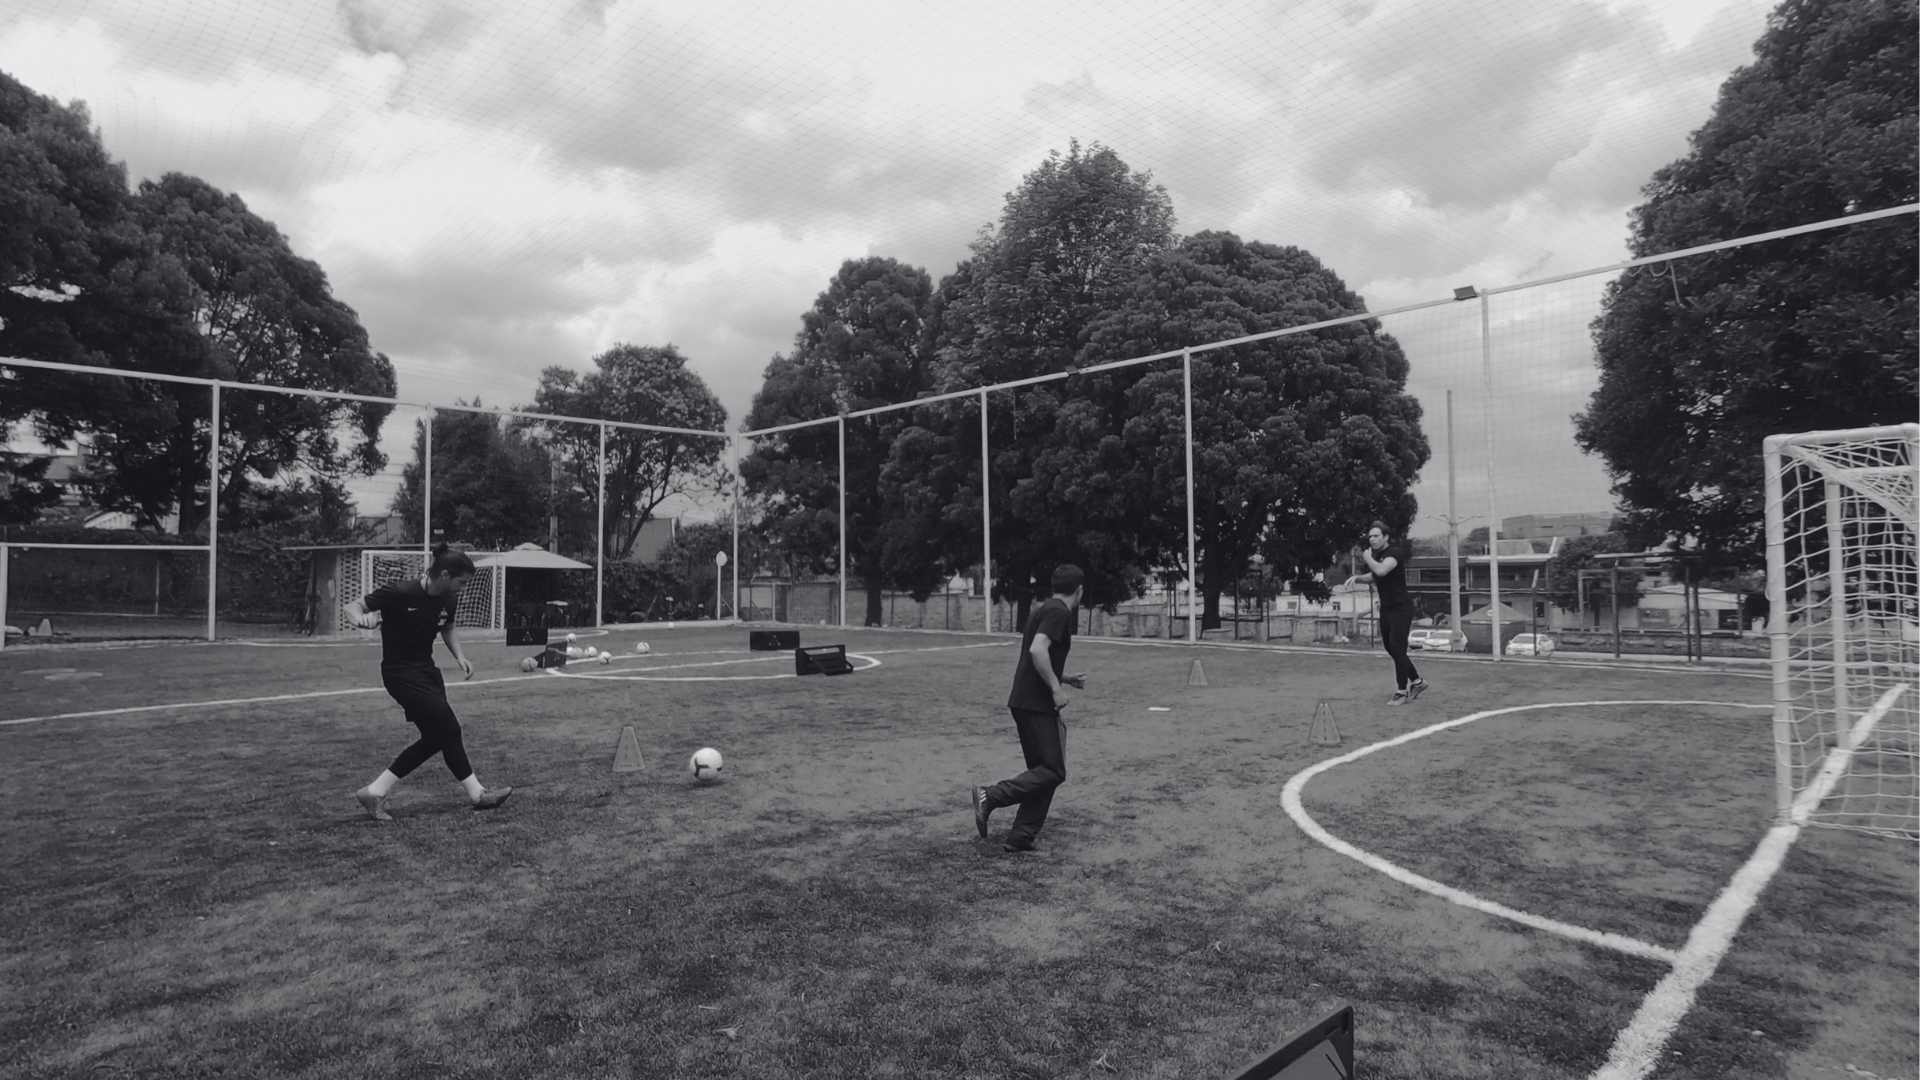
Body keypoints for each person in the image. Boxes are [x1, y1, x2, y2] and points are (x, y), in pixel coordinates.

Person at [349, 544, 512, 820]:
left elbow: (447, 626)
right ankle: (477, 794)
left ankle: (375, 792)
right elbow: (353, 606)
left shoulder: (449, 598)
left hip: (427, 672)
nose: (462, 588)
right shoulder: (400, 592)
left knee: (439, 735)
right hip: (400, 674)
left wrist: (460, 656)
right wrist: (359, 619)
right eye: (461, 582)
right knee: (448, 727)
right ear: (445, 575)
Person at [971, 564, 1088, 853]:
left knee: (1042, 771)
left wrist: (1064, 677)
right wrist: (1055, 688)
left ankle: (1021, 836)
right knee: (1052, 771)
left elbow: (1037, 657)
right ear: (1080, 590)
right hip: (1035, 703)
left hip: (1025, 700)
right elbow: (1037, 650)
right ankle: (991, 795)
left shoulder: (1045, 607)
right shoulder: (1059, 611)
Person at [1347, 520, 1427, 706]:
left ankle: (1401, 691)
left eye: (1376, 536)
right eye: (1370, 536)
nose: (1372, 539)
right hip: (1387, 608)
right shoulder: (1379, 555)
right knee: (1390, 648)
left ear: (1386, 537)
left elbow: (1381, 571)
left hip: (1401, 608)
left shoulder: (1394, 553)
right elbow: (1374, 575)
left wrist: (1366, 557)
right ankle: (1417, 682)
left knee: (1398, 648)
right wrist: (1357, 578)